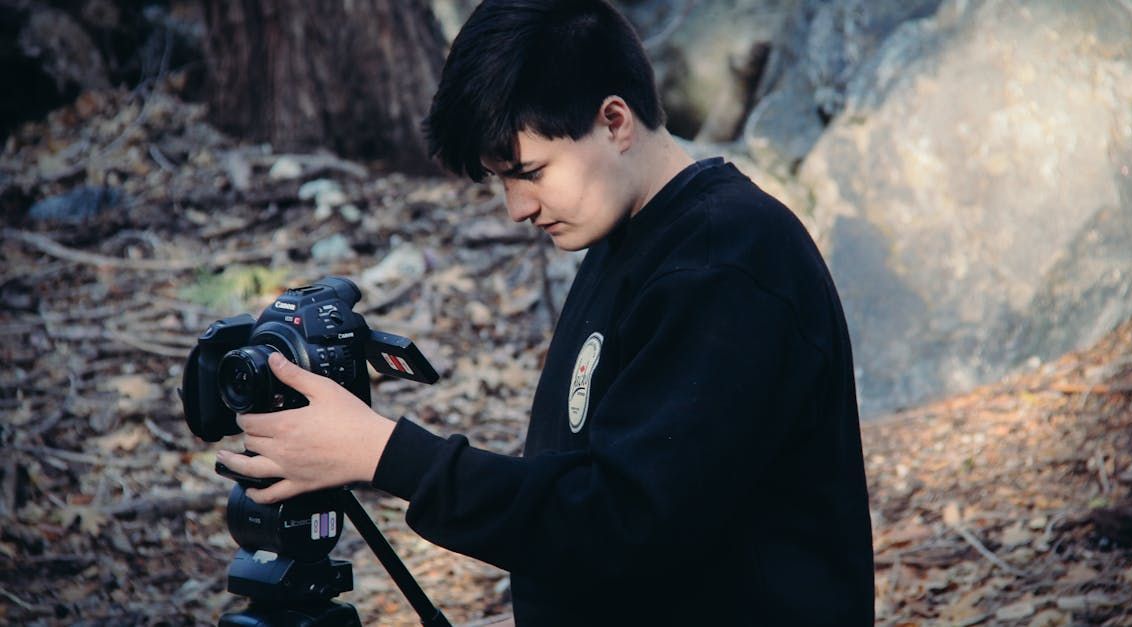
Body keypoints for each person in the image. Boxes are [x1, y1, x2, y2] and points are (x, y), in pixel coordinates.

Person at [215, 0, 875, 624]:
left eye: (528, 171)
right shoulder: (632, 240)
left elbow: (619, 524)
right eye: (502, 181)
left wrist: (385, 453)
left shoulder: (727, 263)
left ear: (613, 121)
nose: (517, 208)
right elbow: (585, 489)